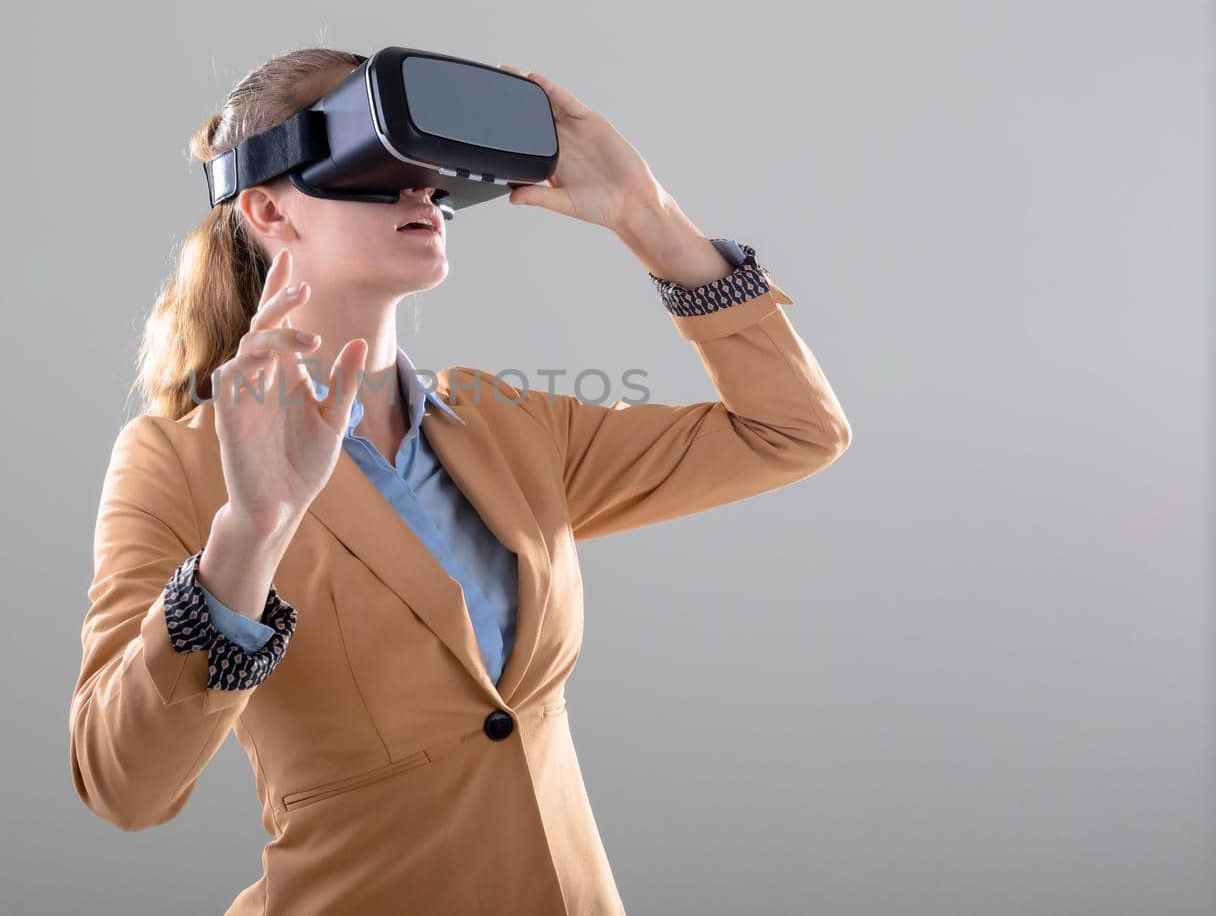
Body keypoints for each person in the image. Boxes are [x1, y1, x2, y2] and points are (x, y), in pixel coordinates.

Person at [68, 47, 851, 915]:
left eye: (429, 173)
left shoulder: (504, 426)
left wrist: (648, 215)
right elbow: (123, 785)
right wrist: (252, 530)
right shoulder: (179, 462)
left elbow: (794, 430)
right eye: (375, 170)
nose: (420, 195)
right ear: (266, 210)